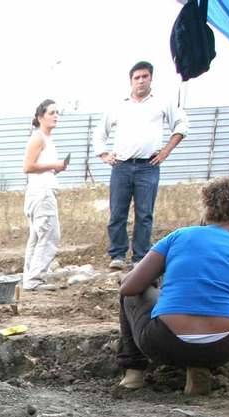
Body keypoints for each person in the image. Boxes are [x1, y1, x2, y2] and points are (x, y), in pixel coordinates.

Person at [116, 176, 229, 396]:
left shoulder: (179, 236)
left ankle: (133, 372)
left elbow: (128, 287)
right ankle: (198, 370)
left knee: (132, 289)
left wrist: (154, 282)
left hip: (163, 343)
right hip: (220, 348)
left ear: (205, 215)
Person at [93, 62, 189, 270]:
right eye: (137, 77)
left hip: (148, 166)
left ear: (151, 78)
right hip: (122, 166)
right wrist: (104, 155)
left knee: (145, 214)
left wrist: (166, 151)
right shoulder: (120, 105)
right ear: (131, 81)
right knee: (118, 212)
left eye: (144, 76)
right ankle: (117, 255)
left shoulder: (162, 103)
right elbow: (100, 133)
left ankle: (140, 257)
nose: (141, 81)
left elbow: (182, 124)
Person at [22, 100, 69, 292]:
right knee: (49, 235)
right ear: (40, 117)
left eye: (57, 112)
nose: (55, 116)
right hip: (41, 194)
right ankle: (34, 279)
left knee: (37, 237)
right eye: (51, 113)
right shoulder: (38, 138)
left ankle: (30, 278)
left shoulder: (46, 140)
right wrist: (54, 166)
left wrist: (54, 169)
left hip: (42, 191)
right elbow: (27, 166)